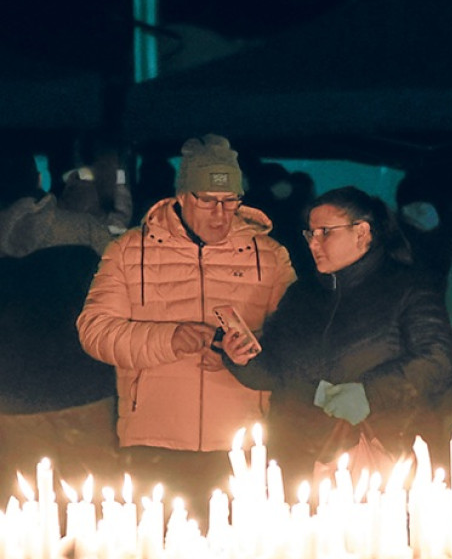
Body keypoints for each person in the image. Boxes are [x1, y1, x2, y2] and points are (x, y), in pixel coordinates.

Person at [76, 134, 296, 506]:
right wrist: (170, 339)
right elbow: (94, 330)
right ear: (181, 196)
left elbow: (294, 338)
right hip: (153, 437)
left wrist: (242, 355)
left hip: (242, 441)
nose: (220, 214)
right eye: (207, 200)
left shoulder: (270, 256)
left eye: (230, 200)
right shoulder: (129, 250)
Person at [221, 186, 452, 482]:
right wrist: (243, 360)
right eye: (310, 234)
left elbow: (436, 359)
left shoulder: (407, 288)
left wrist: (369, 394)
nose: (314, 243)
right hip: (298, 458)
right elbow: (277, 372)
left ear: (362, 232)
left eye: (325, 232)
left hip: (375, 456)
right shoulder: (302, 295)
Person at [0, 151, 118, 495]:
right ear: (38, 180)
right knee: (93, 497)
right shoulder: (82, 230)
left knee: (25, 501)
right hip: (85, 384)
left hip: (12, 394)